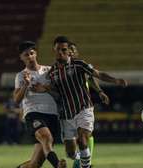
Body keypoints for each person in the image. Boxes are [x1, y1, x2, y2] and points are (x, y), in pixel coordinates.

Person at [48, 36, 128, 168]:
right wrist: (45, 89)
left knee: (82, 139)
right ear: (54, 50)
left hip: (84, 108)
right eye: (58, 50)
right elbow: (56, 93)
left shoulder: (79, 64)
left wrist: (115, 81)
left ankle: (86, 166)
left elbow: (96, 74)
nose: (60, 52)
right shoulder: (52, 73)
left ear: (68, 51)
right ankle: (81, 157)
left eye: (64, 50)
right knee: (71, 153)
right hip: (66, 115)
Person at [14, 41, 66, 168]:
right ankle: (57, 165)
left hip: (52, 115)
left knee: (35, 164)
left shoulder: (49, 71)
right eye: (26, 55)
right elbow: (16, 99)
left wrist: (45, 88)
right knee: (46, 137)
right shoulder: (21, 76)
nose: (30, 57)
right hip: (34, 113)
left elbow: (60, 94)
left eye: (32, 53)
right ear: (21, 57)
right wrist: (25, 85)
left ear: (36, 53)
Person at [67, 42, 110, 168]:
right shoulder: (60, 68)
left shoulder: (82, 65)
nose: (70, 52)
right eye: (68, 50)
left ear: (76, 53)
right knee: (73, 137)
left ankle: (84, 162)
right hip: (68, 107)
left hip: (83, 105)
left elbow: (91, 77)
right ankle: (81, 159)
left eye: (73, 50)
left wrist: (100, 91)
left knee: (85, 134)